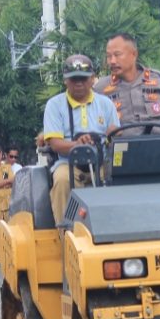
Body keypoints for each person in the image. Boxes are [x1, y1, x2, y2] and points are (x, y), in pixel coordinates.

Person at [43, 54, 119, 223]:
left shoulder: (106, 104)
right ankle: (65, 231)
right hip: (68, 163)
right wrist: (76, 144)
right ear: (65, 80)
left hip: (101, 163)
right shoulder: (54, 105)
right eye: (74, 79)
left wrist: (112, 136)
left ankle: (115, 228)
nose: (78, 83)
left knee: (120, 178)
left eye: (83, 78)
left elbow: (115, 137)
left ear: (92, 79)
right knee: (62, 179)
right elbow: (55, 144)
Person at [94, 33, 160, 135]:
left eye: (117, 55)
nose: (112, 61)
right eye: (109, 56)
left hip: (158, 144)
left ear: (134, 54)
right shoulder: (100, 89)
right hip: (121, 145)